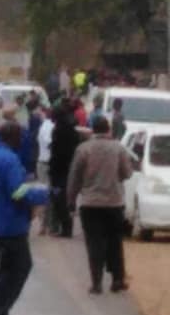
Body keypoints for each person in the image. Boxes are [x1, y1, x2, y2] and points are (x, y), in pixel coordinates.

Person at [0, 121, 49, 315]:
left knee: (8, 270)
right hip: (11, 223)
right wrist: (43, 194)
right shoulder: (9, 159)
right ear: (13, 137)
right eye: (20, 136)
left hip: (0, 221)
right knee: (16, 269)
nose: (23, 140)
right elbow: (17, 192)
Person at [66, 116, 133, 294]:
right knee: (114, 242)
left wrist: (71, 200)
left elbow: (74, 177)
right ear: (108, 129)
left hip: (90, 204)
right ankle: (117, 280)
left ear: (93, 130)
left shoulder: (83, 149)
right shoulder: (119, 148)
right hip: (114, 203)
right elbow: (127, 173)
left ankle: (96, 283)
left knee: (94, 243)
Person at [49, 101, 79, 238]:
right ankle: (66, 226)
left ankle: (66, 228)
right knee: (65, 198)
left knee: (59, 198)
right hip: (69, 168)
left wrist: (53, 169)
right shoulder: (71, 129)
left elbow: (57, 153)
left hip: (60, 170)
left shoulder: (59, 130)